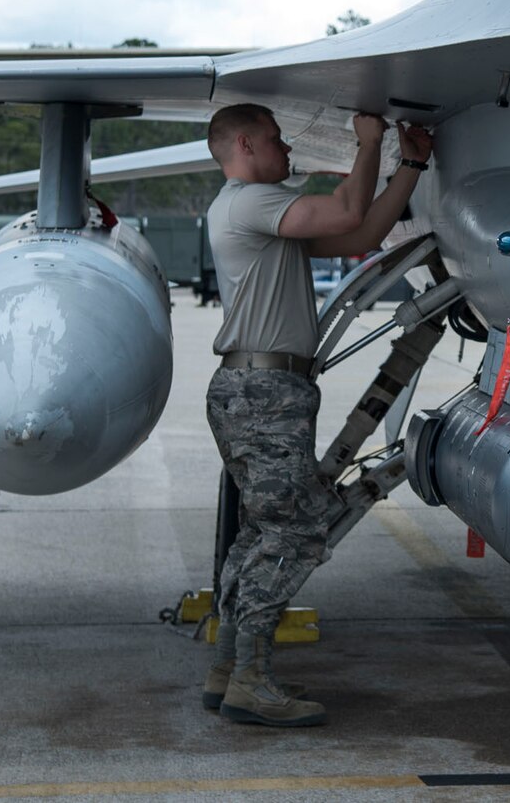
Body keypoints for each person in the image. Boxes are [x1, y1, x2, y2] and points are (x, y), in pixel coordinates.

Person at [199, 103, 433, 727]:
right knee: (295, 533)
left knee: (261, 531)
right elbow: (349, 211)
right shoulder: (249, 201)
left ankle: (230, 666)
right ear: (245, 145)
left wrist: (409, 163)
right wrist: (368, 143)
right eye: (277, 140)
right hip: (263, 393)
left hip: (260, 391)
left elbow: (358, 236)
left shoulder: (258, 213)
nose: (288, 151)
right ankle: (250, 678)